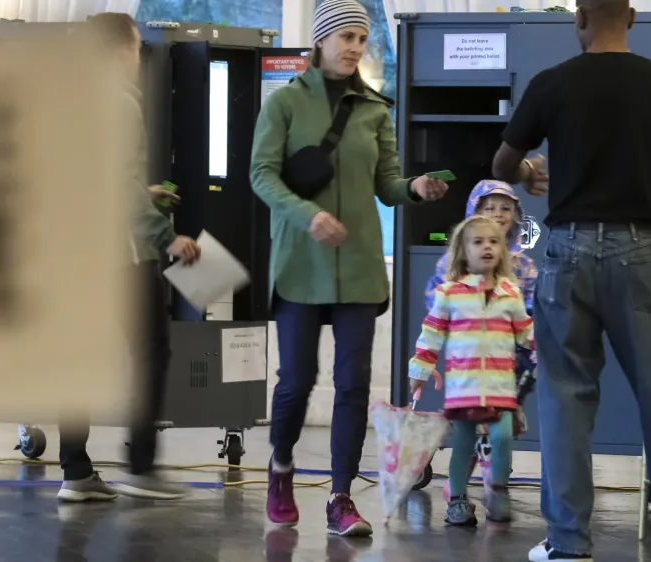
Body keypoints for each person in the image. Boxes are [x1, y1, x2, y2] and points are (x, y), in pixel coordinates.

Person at [491, 0, 651, 559]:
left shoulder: (552, 83)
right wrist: (646, 189)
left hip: (567, 252)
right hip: (643, 252)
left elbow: (502, 164)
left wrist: (528, 172)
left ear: (579, 18)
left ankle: (567, 545)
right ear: (631, 18)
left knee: (566, 401)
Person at [249, 0, 448, 537]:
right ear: (321, 40)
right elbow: (262, 175)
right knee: (296, 382)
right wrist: (308, 216)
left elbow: (387, 184)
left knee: (353, 384)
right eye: (345, 37)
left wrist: (415, 188)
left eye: (361, 38)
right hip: (299, 264)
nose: (355, 47)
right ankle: (281, 467)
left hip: (359, 267)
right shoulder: (285, 104)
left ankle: (341, 498)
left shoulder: (375, 111)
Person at [56, 12, 201, 503]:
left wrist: (143, 191)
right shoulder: (119, 101)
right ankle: (141, 466)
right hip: (121, 255)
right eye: (136, 47)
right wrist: (166, 236)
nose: (138, 57)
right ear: (118, 50)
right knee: (151, 353)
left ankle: (75, 471)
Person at [409, 215, 535, 526]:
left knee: (503, 437)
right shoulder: (450, 293)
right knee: (464, 446)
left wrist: (545, 351)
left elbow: (526, 332)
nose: (487, 247)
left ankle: (497, 489)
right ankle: (457, 500)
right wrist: (420, 370)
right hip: (463, 387)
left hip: (500, 387)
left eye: (493, 242)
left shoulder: (510, 293)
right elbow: (432, 333)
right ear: (464, 252)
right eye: (478, 242)